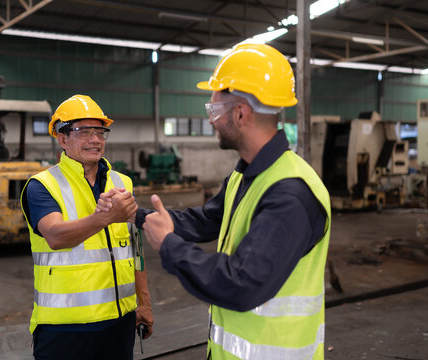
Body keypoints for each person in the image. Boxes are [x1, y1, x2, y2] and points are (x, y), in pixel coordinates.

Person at [99, 43, 331, 359]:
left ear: (240, 113)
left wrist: (168, 245)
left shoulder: (291, 193)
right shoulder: (247, 175)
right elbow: (208, 220)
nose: (210, 121)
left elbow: (240, 284)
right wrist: (136, 215)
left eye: (214, 111)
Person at [20, 94, 154, 360]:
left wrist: (145, 303)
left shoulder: (122, 182)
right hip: (65, 329)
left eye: (101, 132)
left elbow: (135, 251)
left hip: (120, 322)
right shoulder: (42, 186)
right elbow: (56, 236)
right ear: (62, 138)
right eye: (84, 131)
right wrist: (104, 217)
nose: (95, 140)